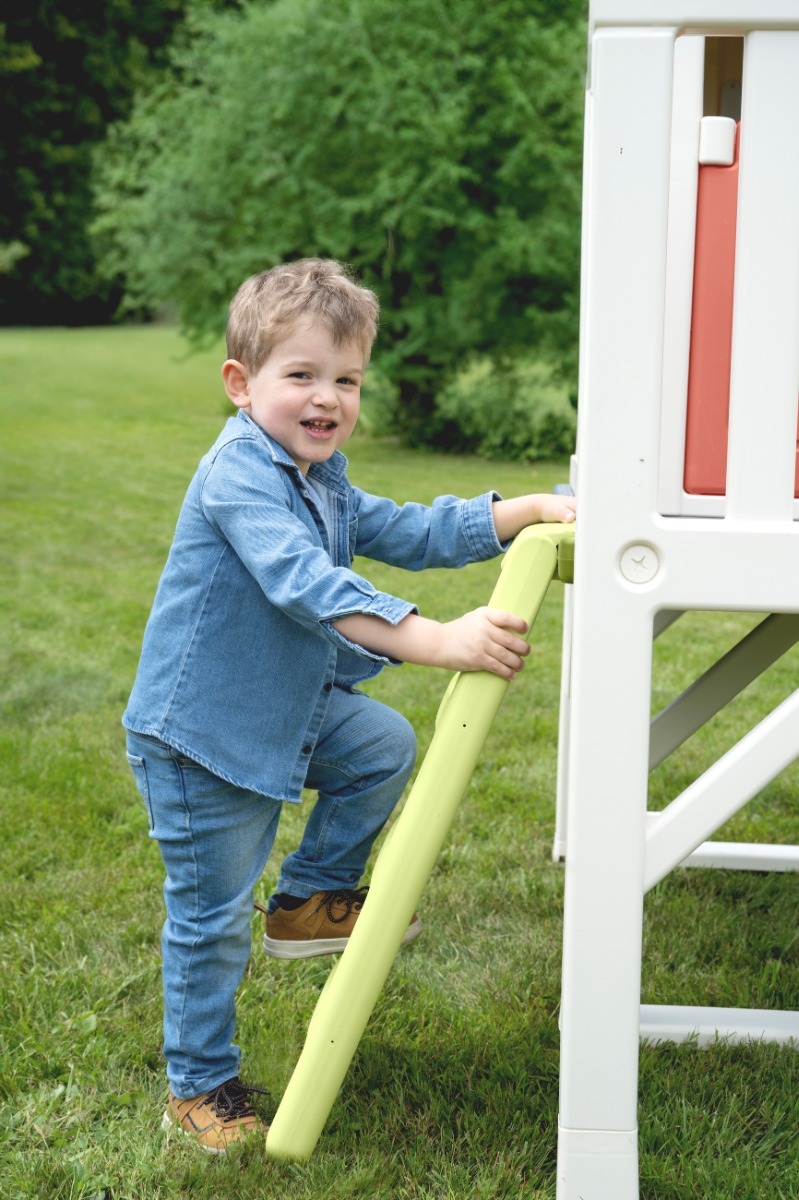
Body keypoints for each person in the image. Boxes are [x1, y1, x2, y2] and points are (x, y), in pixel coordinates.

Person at [123, 258, 576, 1153]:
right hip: (204, 736)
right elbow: (305, 584)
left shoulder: (319, 474)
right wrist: (437, 638)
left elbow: (408, 528)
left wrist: (521, 509)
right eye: (301, 376)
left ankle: (311, 899)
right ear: (240, 384)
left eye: (346, 379)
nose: (326, 398)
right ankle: (198, 1083)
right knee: (211, 918)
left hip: (284, 708)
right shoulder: (239, 477)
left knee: (377, 743)